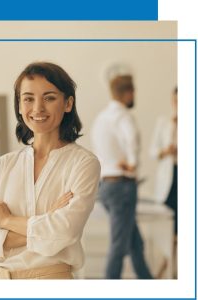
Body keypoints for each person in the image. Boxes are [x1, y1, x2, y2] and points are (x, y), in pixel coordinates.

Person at [0, 62, 101, 279]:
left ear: (68, 103)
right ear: (20, 105)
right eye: (28, 98)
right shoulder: (4, 164)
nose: (38, 108)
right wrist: (47, 218)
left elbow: (64, 232)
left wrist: (5, 221)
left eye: (49, 98)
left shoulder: (83, 163)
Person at [91, 69, 153, 279]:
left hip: (105, 187)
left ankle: (148, 283)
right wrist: (133, 163)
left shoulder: (101, 118)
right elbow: (132, 139)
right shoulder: (123, 116)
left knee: (136, 243)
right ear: (129, 93)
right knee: (119, 246)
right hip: (122, 186)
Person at [150, 87, 178, 235]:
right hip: (169, 175)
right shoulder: (164, 122)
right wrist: (166, 151)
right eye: (175, 101)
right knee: (168, 218)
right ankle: (167, 258)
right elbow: (153, 151)